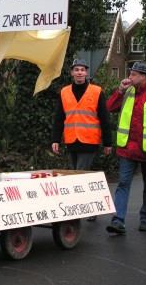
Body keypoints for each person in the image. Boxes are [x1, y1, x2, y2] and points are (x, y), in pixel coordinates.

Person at [105, 61, 146, 235]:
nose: (130, 77)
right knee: (123, 184)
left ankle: (145, 218)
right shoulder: (128, 92)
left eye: (133, 74)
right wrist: (120, 90)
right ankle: (118, 220)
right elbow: (110, 107)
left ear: (143, 76)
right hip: (128, 149)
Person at [52, 59, 112, 221]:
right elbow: (59, 118)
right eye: (76, 69)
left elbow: (105, 118)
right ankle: (91, 207)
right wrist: (55, 139)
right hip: (72, 140)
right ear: (71, 73)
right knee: (80, 175)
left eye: (82, 70)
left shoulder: (96, 91)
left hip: (89, 140)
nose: (79, 72)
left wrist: (108, 142)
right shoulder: (64, 92)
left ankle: (81, 211)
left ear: (87, 73)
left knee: (78, 175)